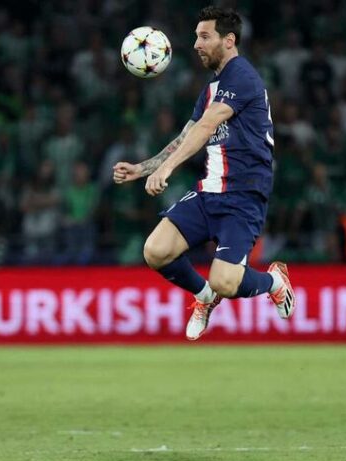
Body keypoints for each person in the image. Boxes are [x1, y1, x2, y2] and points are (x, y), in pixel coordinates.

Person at [112, 6, 295, 340]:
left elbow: (208, 125)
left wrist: (166, 170)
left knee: (226, 280)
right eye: (196, 35)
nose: (196, 43)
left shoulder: (242, 76)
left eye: (204, 36)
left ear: (229, 40)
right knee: (156, 250)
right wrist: (143, 168)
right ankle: (204, 297)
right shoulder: (213, 87)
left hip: (242, 195)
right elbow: (187, 134)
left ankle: (273, 282)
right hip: (210, 189)